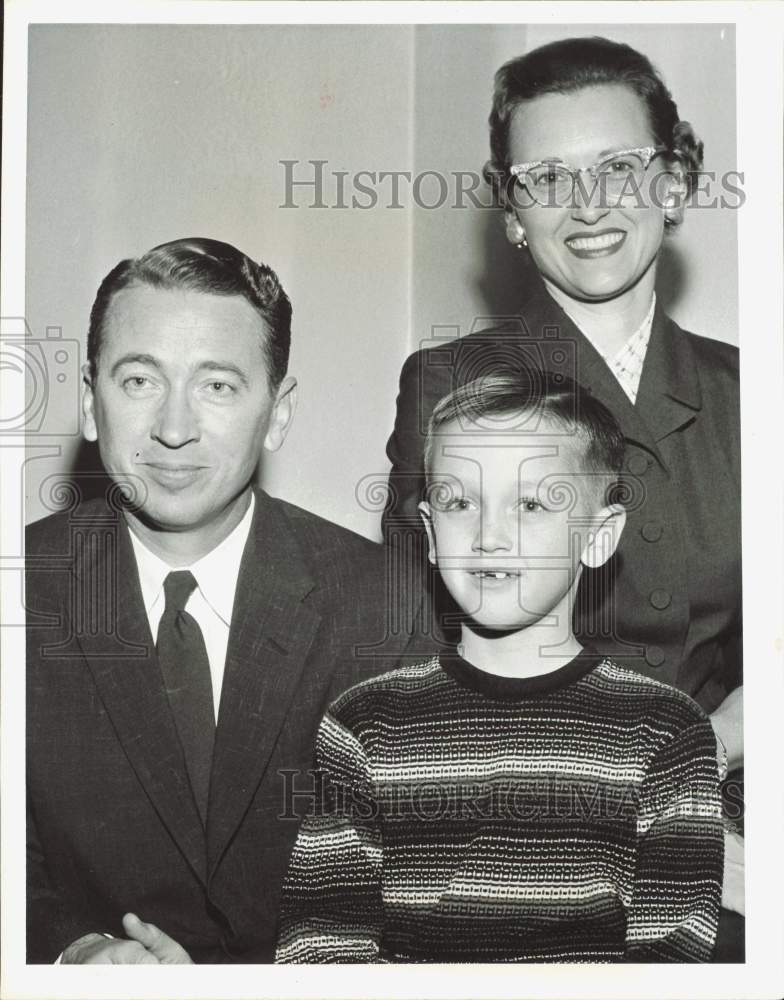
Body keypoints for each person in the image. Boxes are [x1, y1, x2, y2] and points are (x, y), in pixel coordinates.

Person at [382, 38, 743, 945]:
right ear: (511, 214)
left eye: (619, 167)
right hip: (517, 840)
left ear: (675, 183)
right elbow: (404, 649)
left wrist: (740, 729)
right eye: (547, 178)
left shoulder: (751, 393)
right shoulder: (448, 382)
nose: (588, 207)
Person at [26, 237, 408, 964]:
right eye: (139, 381)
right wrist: (69, 951)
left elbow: (420, 888)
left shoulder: (384, 607)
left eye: (218, 386)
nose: (174, 429)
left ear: (278, 411)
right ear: (88, 400)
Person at [276, 372, 724, 963]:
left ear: (599, 536)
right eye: (460, 502)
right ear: (432, 535)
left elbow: (676, 954)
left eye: (532, 503)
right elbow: (321, 944)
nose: (489, 535)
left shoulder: (667, 729)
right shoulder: (364, 722)